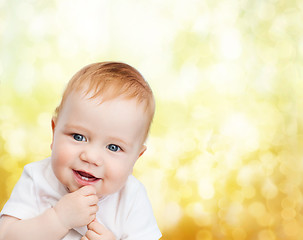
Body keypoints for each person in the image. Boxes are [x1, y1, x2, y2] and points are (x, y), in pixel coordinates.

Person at [0, 62, 162, 240]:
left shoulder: (132, 198)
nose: (91, 157)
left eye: (113, 147)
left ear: (135, 158)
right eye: (78, 137)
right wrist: (58, 219)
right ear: (54, 133)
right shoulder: (37, 178)